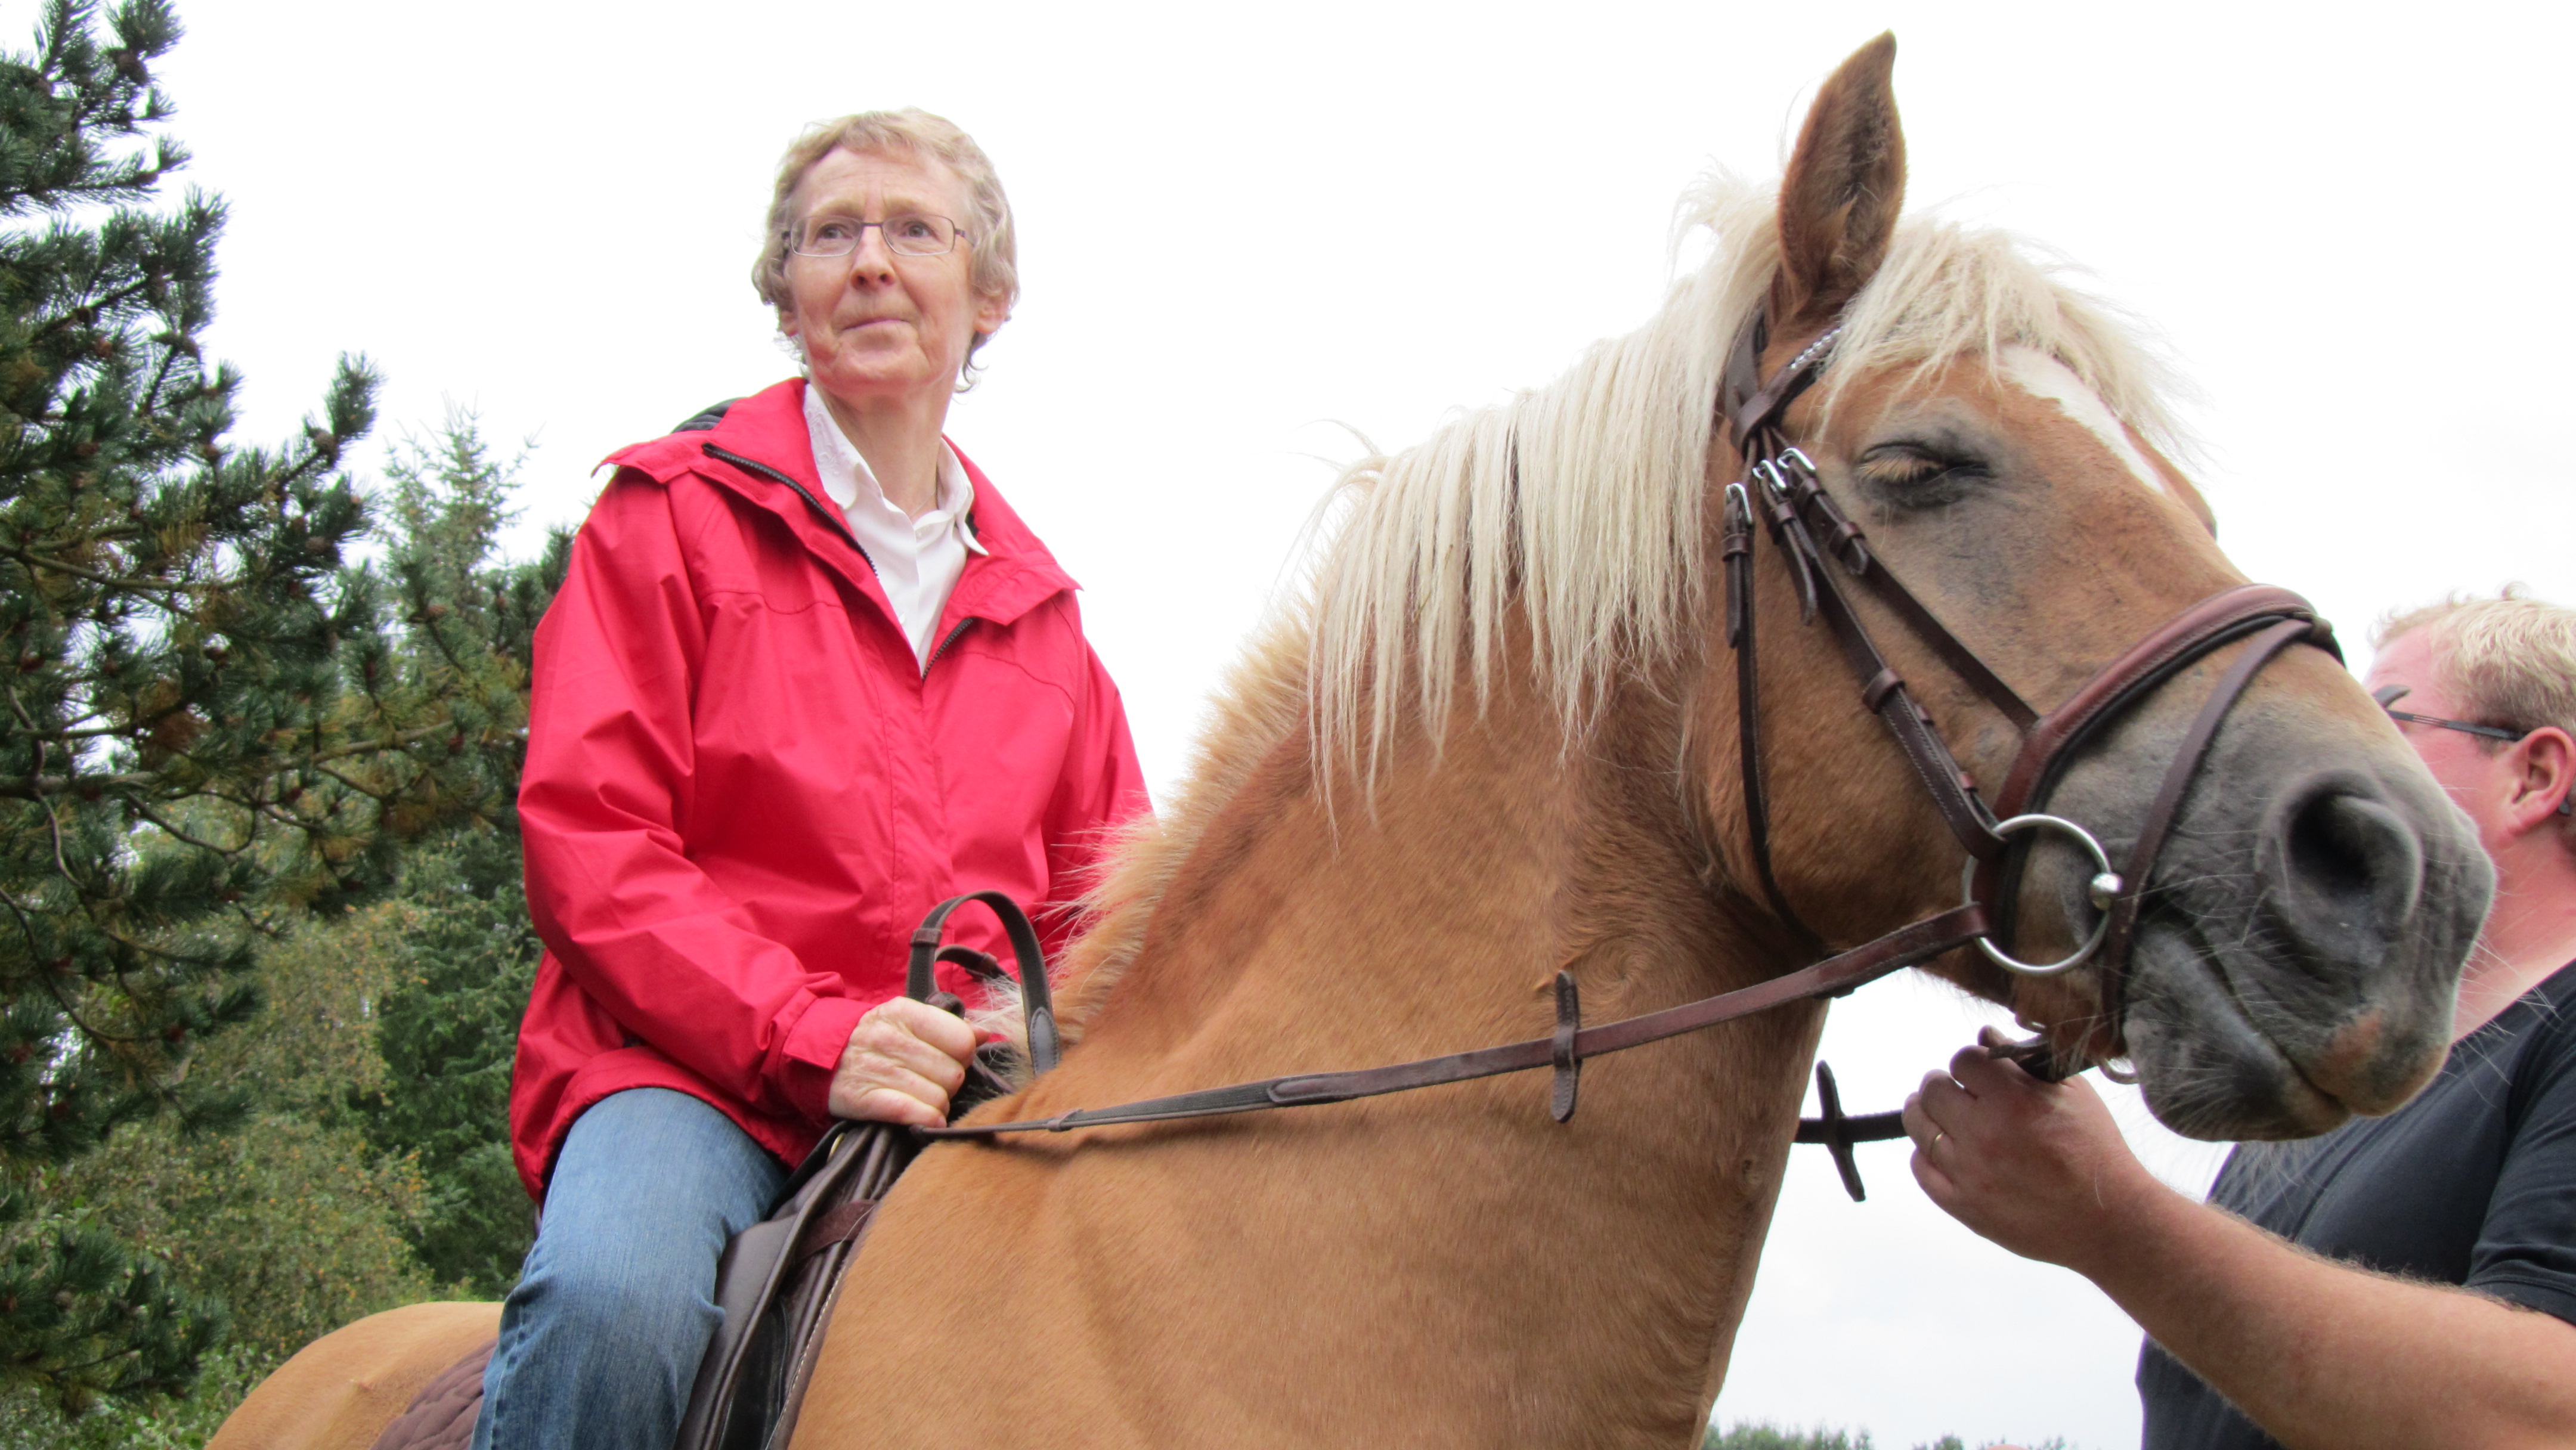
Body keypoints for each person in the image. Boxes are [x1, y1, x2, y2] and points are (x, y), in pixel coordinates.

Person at [470, 110, 1148, 1450]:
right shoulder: (667, 516)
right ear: (787, 297)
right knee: (613, 1308)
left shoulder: (1049, 624)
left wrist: (1039, 1035)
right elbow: (592, 839)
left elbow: (1110, 913)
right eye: (834, 234)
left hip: (970, 1095)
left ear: (989, 297)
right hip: (686, 1078)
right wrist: (816, 1033)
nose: (873, 261)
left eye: (915, 231)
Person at [1903, 590, 2576, 1450]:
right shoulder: (2338, 1085)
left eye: (2385, 723)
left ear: (2535, 777)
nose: (2342, 753)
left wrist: (2111, 1220)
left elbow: (2545, 1420)